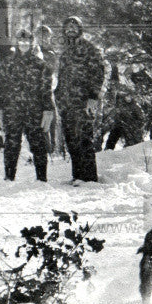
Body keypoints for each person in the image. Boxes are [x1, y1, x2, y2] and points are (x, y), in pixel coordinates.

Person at [0, 28, 52, 182]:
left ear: (32, 43)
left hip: (34, 112)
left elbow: (46, 90)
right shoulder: (8, 63)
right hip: (12, 112)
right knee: (11, 145)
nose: (24, 44)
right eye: (21, 41)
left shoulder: (40, 65)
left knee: (38, 145)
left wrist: (48, 110)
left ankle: (41, 179)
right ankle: (9, 178)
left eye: (27, 41)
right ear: (17, 43)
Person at [54, 15, 105, 182]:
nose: (71, 29)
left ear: (80, 29)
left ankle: (90, 179)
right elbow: (62, 77)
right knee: (71, 140)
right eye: (68, 27)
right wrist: (58, 97)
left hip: (83, 102)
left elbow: (98, 73)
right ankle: (78, 177)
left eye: (74, 27)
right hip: (67, 104)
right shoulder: (65, 52)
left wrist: (93, 97)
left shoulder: (89, 48)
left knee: (84, 139)